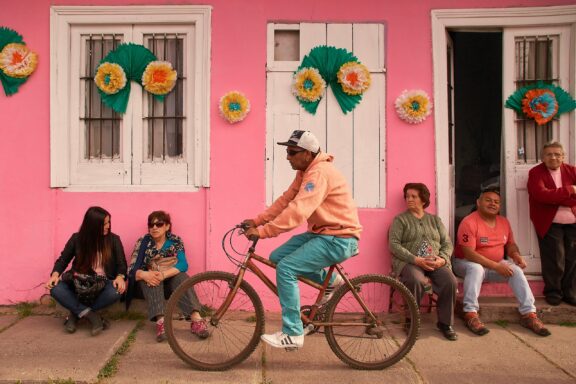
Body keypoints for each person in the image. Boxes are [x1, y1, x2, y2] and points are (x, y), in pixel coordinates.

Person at [243, 130, 362, 350]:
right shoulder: (305, 171)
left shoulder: (318, 174)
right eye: (286, 151)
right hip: (324, 233)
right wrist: (257, 221)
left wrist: (264, 231)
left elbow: (298, 211)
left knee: (286, 268)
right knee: (277, 257)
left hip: (339, 238)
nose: (287, 156)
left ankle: (293, 333)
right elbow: (286, 200)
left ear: (307, 153)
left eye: (291, 152)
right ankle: (330, 284)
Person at [453, 188, 551, 337]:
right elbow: (469, 253)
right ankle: (470, 313)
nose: (493, 204)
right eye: (488, 200)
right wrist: (497, 266)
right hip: (465, 263)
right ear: (478, 203)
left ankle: (529, 315)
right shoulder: (469, 222)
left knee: (516, 271)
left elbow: (510, 244)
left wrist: (516, 255)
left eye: (496, 202)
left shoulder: (503, 222)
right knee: (476, 269)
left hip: (494, 265)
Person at [389, 183, 458, 341]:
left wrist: (442, 259)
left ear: (423, 199)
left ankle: (445, 323)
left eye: (414, 196)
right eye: (407, 196)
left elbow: (447, 243)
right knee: (416, 280)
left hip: (435, 262)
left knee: (450, 281)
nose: (409, 199)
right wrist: (416, 259)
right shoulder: (400, 220)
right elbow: (393, 244)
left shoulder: (434, 220)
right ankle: (411, 321)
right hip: (410, 262)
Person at [126, 210, 208, 342]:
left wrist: (163, 274)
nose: (154, 227)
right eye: (151, 225)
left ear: (167, 226)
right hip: (147, 283)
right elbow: (131, 269)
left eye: (159, 224)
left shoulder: (175, 241)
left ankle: (196, 319)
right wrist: (145, 274)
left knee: (182, 277)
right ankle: (161, 323)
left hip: (170, 281)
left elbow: (183, 264)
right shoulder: (143, 242)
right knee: (153, 279)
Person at [46, 206, 127, 336]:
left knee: (116, 291)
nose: (108, 226)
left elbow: (122, 264)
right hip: (79, 282)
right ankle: (93, 317)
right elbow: (63, 260)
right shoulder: (76, 239)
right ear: (93, 225)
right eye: (104, 223)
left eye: (109, 222)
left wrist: (120, 277)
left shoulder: (113, 240)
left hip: (102, 284)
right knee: (55, 289)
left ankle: (75, 316)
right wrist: (55, 275)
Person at [527, 141, 576, 306]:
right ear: (542, 157)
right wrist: (570, 191)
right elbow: (541, 195)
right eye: (549, 154)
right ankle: (553, 292)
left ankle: (570, 292)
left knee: (572, 258)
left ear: (563, 156)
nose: (553, 157)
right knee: (555, 259)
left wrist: (554, 197)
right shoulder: (536, 173)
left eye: (557, 154)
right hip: (549, 222)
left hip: (573, 222)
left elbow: (550, 196)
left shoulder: (572, 171)